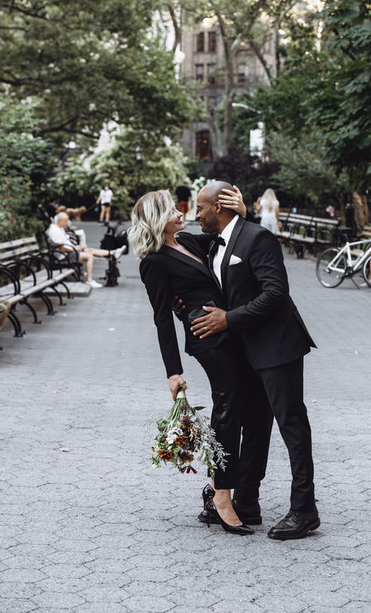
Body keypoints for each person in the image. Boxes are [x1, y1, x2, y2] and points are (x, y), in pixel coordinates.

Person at [192, 180, 319, 541]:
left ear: (219, 207)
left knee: (292, 426)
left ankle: (305, 510)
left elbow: (276, 293)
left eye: (200, 208)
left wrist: (227, 318)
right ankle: (247, 501)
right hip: (246, 351)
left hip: (278, 348)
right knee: (255, 425)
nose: (195, 215)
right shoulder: (212, 241)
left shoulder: (257, 238)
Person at [129, 188, 261, 536]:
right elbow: (161, 318)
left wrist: (243, 213)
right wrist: (173, 372)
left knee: (237, 406)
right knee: (229, 405)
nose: (179, 211)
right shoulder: (153, 262)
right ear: (157, 218)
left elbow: (232, 239)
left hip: (229, 329)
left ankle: (225, 489)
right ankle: (221, 495)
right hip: (208, 339)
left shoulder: (188, 239)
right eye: (170, 208)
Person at [47, 212, 125, 289]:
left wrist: (75, 247)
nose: (67, 223)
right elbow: (62, 248)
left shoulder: (59, 228)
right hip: (64, 256)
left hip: (69, 251)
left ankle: (113, 252)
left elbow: (64, 244)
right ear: (60, 220)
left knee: (90, 250)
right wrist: (74, 248)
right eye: (66, 221)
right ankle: (89, 280)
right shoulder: (54, 230)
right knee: (89, 256)